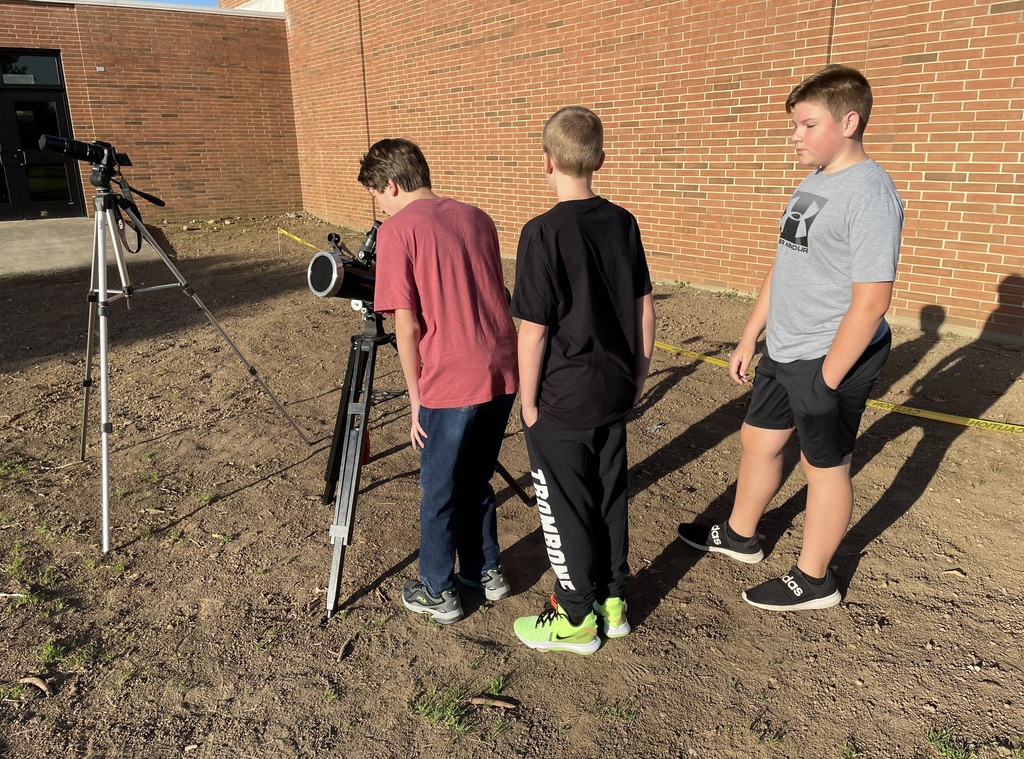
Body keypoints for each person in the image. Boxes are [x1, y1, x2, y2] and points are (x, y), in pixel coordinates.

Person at [677, 64, 903, 610]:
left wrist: (827, 378)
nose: (795, 137)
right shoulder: (814, 181)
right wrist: (751, 334)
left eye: (807, 125)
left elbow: (872, 300)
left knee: (824, 466)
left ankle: (815, 578)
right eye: (794, 126)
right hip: (784, 344)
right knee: (758, 438)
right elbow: (786, 263)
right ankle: (739, 535)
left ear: (849, 121)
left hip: (830, 353)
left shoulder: (870, 194)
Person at [510, 106, 656, 654]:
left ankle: (575, 617)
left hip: (562, 399)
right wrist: (639, 376)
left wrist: (528, 403)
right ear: (600, 158)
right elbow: (645, 307)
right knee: (608, 493)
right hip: (614, 389)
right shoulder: (623, 222)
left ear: (546, 162)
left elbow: (533, 331)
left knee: (564, 502)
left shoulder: (541, 233)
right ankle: (612, 602)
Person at [358, 138, 519, 624]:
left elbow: (405, 325)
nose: (380, 207)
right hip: (502, 367)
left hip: (451, 377)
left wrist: (415, 399)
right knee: (476, 476)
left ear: (391, 183)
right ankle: (485, 570)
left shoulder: (396, 232)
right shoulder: (477, 216)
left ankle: (436, 589)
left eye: (377, 195)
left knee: (440, 487)